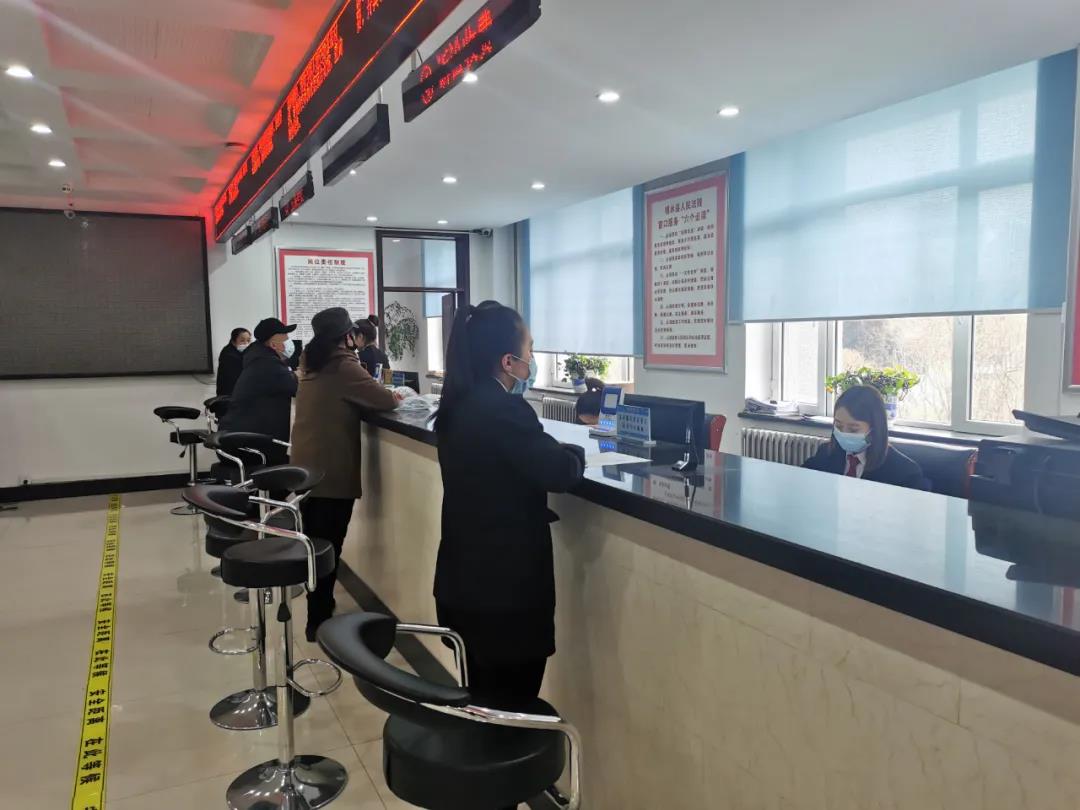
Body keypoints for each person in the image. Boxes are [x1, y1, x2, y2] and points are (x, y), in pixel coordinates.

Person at [433, 301, 585, 712]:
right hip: (504, 596)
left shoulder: (459, 403)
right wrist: (573, 454)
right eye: (529, 350)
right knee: (512, 709)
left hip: (465, 584)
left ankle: (480, 753)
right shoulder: (502, 409)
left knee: (483, 699)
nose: (532, 360)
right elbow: (558, 471)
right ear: (508, 361)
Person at [290, 307, 400, 641]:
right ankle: (319, 621)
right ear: (347, 335)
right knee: (328, 546)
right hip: (330, 471)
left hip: (306, 468)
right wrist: (393, 396)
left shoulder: (312, 362)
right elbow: (385, 399)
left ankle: (317, 611)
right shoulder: (342, 365)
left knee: (316, 543)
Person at [802, 384, 925, 490]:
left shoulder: (905, 472)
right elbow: (801, 481)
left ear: (875, 429)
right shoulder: (825, 453)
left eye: (853, 429)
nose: (844, 433)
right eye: (838, 426)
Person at [220, 317, 298, 466]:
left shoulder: (257, 357)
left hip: (239, 438)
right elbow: (296, 388)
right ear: (273, 344)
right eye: (285, 338)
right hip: (252, 445)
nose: (289, 341)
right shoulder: (268, 363)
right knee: (298, 464)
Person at [353, 315, 390, 380]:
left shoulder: (358, 358)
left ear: (360, 337)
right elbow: (388, 381)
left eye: (353, 337)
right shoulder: (384, 357)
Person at [215, 327, 250, 396]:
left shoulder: (237, 351)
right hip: (229, 394)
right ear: (233, 341)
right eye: (242, 340)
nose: (246, 343)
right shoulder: (229, 355)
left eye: (248, 340)